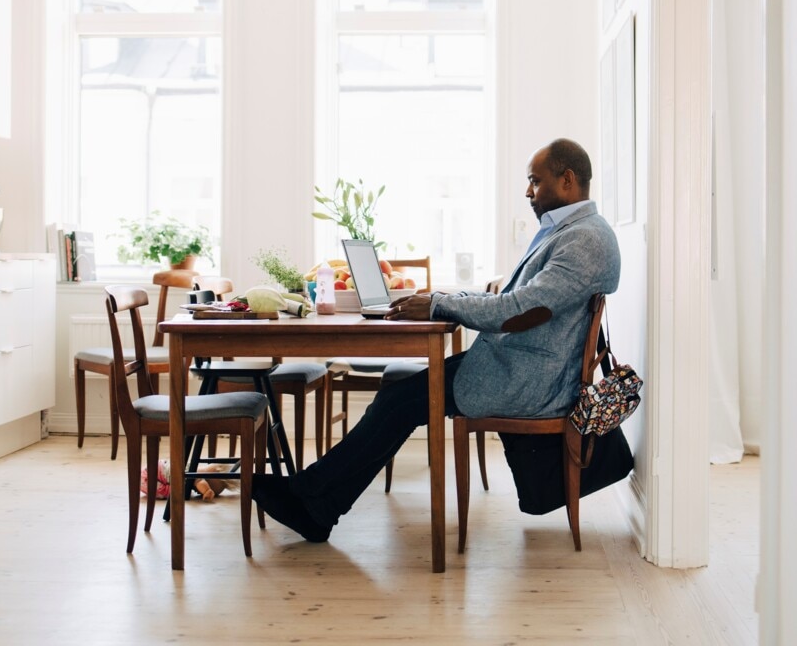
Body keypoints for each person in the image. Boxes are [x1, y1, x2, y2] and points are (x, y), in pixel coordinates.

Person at [251, 137, 622, 542]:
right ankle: (315, 502)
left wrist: (439, 305)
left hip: (528, 379)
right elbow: (511, 302)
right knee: (399, 394)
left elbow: (517, 311)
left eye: (535, 181)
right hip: (516, 363)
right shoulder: (572, 232)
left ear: (567, 180)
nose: (528, 192)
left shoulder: (585, 239)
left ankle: (313, 504)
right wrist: (443, 299)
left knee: (400, 400)